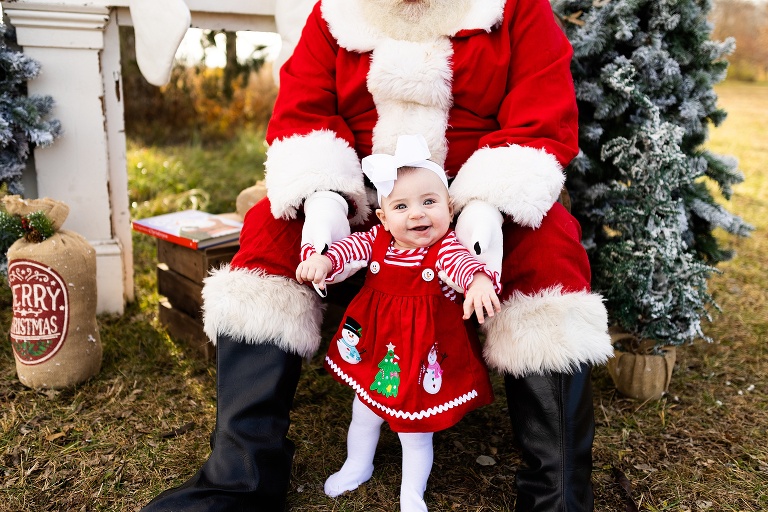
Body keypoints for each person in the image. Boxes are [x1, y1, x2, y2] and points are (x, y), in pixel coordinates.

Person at [142, 0, 613, 511]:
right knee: (269, 233)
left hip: (477, 195)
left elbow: (541, 116)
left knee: (551, 249)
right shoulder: (335, 13)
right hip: (367, 201)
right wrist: (325, 198)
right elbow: (304, 111)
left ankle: (557, 492)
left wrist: (485, 206)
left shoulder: (516, 8)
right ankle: (242, 477)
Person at [296, 135, 500, 511]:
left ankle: (412, 493)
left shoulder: (445, 248)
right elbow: (347, 250)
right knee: (365, 412)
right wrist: (324, 262)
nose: (418, 214)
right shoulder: (377, 241)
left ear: (449, 208)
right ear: (384, 218)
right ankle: (358, 464)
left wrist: (479, 280)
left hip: (421, 352)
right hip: (377, 347)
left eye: (429, 202)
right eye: (402, 206)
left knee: (414, 431)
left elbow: (463, 264)